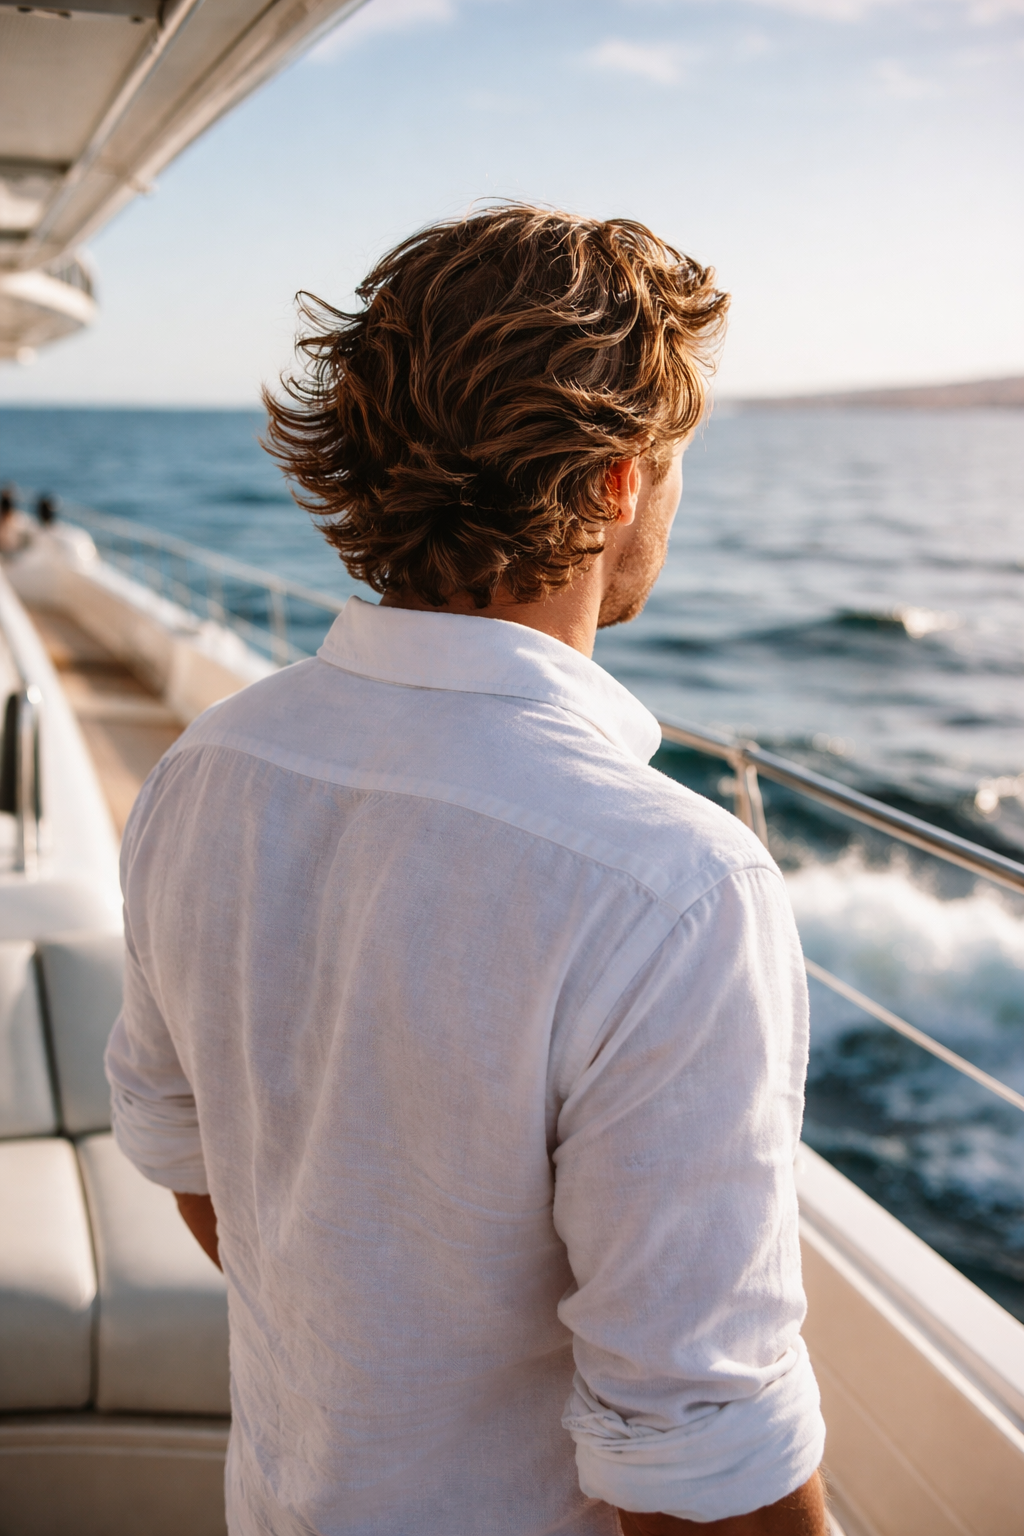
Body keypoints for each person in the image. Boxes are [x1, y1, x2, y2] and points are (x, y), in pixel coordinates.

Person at [106, 205, 828, 1536]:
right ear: (617, 481)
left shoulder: (208, 771)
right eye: (675, 461)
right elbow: (697, 1461)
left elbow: (186, 1156)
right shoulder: (673, 888)